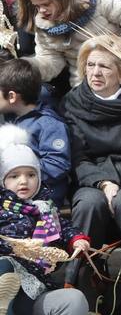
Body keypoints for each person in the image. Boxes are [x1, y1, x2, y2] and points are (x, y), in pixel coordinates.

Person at [0, 125, 89, 315]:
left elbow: (65, 230)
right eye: (14, 176)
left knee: (22, 295)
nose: (23, 181)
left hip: (31, 276)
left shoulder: (46, 209)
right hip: (5, 263)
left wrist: (78, 239)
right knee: (6, 268)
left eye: (30, 174)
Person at [62, 37, 121, 253]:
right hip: (91, 177)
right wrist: (103, 183)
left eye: (104, 66)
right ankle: (81, 272)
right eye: (90, 65)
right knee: (89, 204)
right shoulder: (71, 102)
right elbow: (77, 156)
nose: (95, 73)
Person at [0, 59, 71, 207]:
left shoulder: (49, 124)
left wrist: (22, 173)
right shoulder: (9, 119)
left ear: (12, 96)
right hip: (10, 194)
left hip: (41, 198)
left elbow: (58, 163)